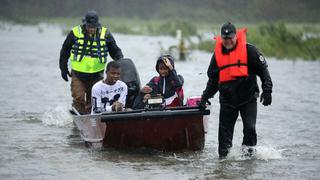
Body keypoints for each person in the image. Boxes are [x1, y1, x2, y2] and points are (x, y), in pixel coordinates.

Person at [199, 22, 273, 158]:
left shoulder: (250, 51)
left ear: (235, 37)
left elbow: (263, 71)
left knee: (250, 129)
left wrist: (267, 90)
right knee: (224, 135)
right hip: (227, 100)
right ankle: (223, 163)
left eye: (230, 38)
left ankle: (248, 158)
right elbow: (213, 81)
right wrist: (205, 97)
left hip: (248, 98)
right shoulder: (217, 56)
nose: (227, 41)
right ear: (221, 38)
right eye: (225, 39)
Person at [59, 10, 123, 114]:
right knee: (78, 97)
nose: (92, 29)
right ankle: (78, 120)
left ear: (97, 25)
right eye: (89, 27)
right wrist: (63, 68)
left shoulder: (105, 34)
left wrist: (120, 61)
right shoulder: (75, 32)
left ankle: (90, 120)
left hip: (97, 75)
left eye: (94, 26)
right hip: (78, 74)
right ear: (85, 24)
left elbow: (115, 50)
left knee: (93, 100)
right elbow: (65, 51)